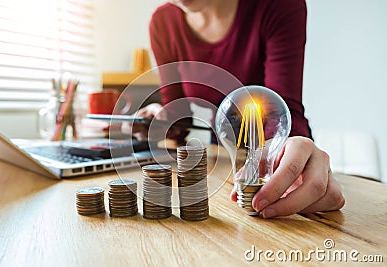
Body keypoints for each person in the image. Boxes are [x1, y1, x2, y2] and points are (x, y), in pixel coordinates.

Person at [123, 0, 345, 218]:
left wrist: (290, 150)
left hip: (274, 161)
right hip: (218, 168)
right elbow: (176, 113)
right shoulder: (164, 22)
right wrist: (158, 119)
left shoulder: (279, 5)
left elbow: (284, 110)